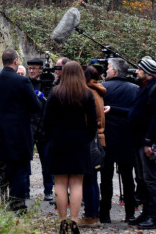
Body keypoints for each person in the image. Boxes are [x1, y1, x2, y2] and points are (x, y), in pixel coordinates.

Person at [0, 48, 42, 213]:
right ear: (15, 61)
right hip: (18, 135)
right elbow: (36, 106)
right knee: (19, 171)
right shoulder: (22, 82)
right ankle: (17, 205)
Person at [43, 60, 98, 232]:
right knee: (76, 183)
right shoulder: (86, 94)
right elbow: (93, 122)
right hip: (79, 140)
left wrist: (51, 137)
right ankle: (74, 220)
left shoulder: (56, 92)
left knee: (59, 182)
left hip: (58, 140)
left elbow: (46, 120)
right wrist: (86, 138)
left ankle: (62, 220)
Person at [122, 56, 156, 230]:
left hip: (147, 141)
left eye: (139, 70)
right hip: (138, 140)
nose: (136, 72)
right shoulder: (143, 88)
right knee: (142, 179)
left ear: (148, 73)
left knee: (151, 179)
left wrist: (149, 142)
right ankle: (145, 213)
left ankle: (153, 216)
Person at [100, 57, 138, 224]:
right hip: (127, 139)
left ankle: (105, 214)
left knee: (106, 178)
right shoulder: (135, 89)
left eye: (108, 68)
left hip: (107, 139)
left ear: (114, 71)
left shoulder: (103, 88)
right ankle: (130, 213)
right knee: (128, 178)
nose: (106, 71)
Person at [79, 65, 106, 228]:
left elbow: (90, 119)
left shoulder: (90, 93)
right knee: (92, 179)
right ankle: (93, 213)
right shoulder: (98, 91)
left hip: (90, 140)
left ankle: (91, 214)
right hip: (97, 139)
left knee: (88, 179)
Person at [28, 57, 55, 202]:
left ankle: (48, 190)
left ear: (41, 70)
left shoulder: (47, 85)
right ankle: (25, 189)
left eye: (34, 68)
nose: (32, 71)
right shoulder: (26, 84)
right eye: (30, 68)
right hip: (29, 126)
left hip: (44, 128)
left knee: (47, 163)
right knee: (25, 161)